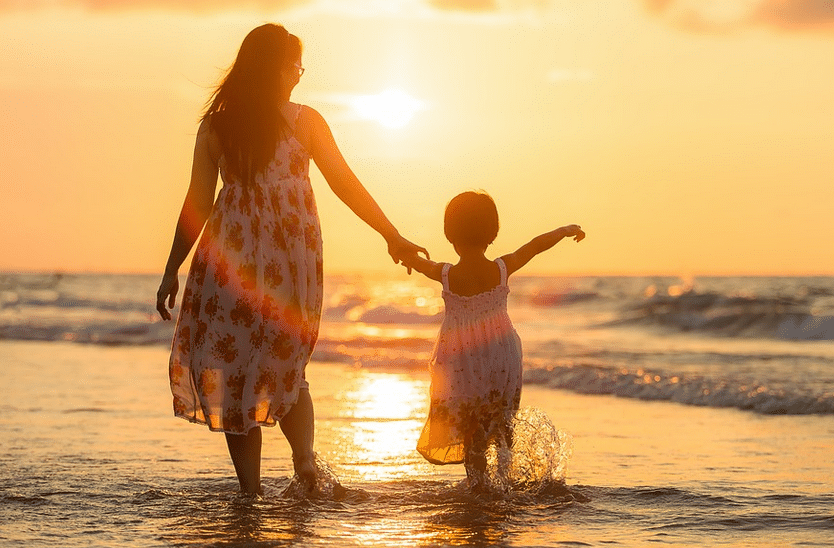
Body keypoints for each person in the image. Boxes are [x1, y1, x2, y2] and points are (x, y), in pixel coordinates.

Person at [155, 23, 426, 495]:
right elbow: (345, 182)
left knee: (234, 369)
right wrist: (391, 235)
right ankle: (305, 466)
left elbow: (197, 203)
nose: (300, 75)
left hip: (229, 264)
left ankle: (251, 492)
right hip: (289, 262)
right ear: (277, 68)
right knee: (286, 363)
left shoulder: (218, 125)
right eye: (296, 65)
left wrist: (172, 268)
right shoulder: (304, 121)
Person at [400, 191, 584, 489]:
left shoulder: (446, 273)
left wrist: (401, 253)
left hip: (461, 359)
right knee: (501, 420)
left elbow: (418, 263)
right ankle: (504, 480)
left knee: (471, 426)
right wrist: (564, 231)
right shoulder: (501, 268)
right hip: (501, 354)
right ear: (492, 233)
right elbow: (535, 246)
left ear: (450, 234)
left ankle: (480, 484)